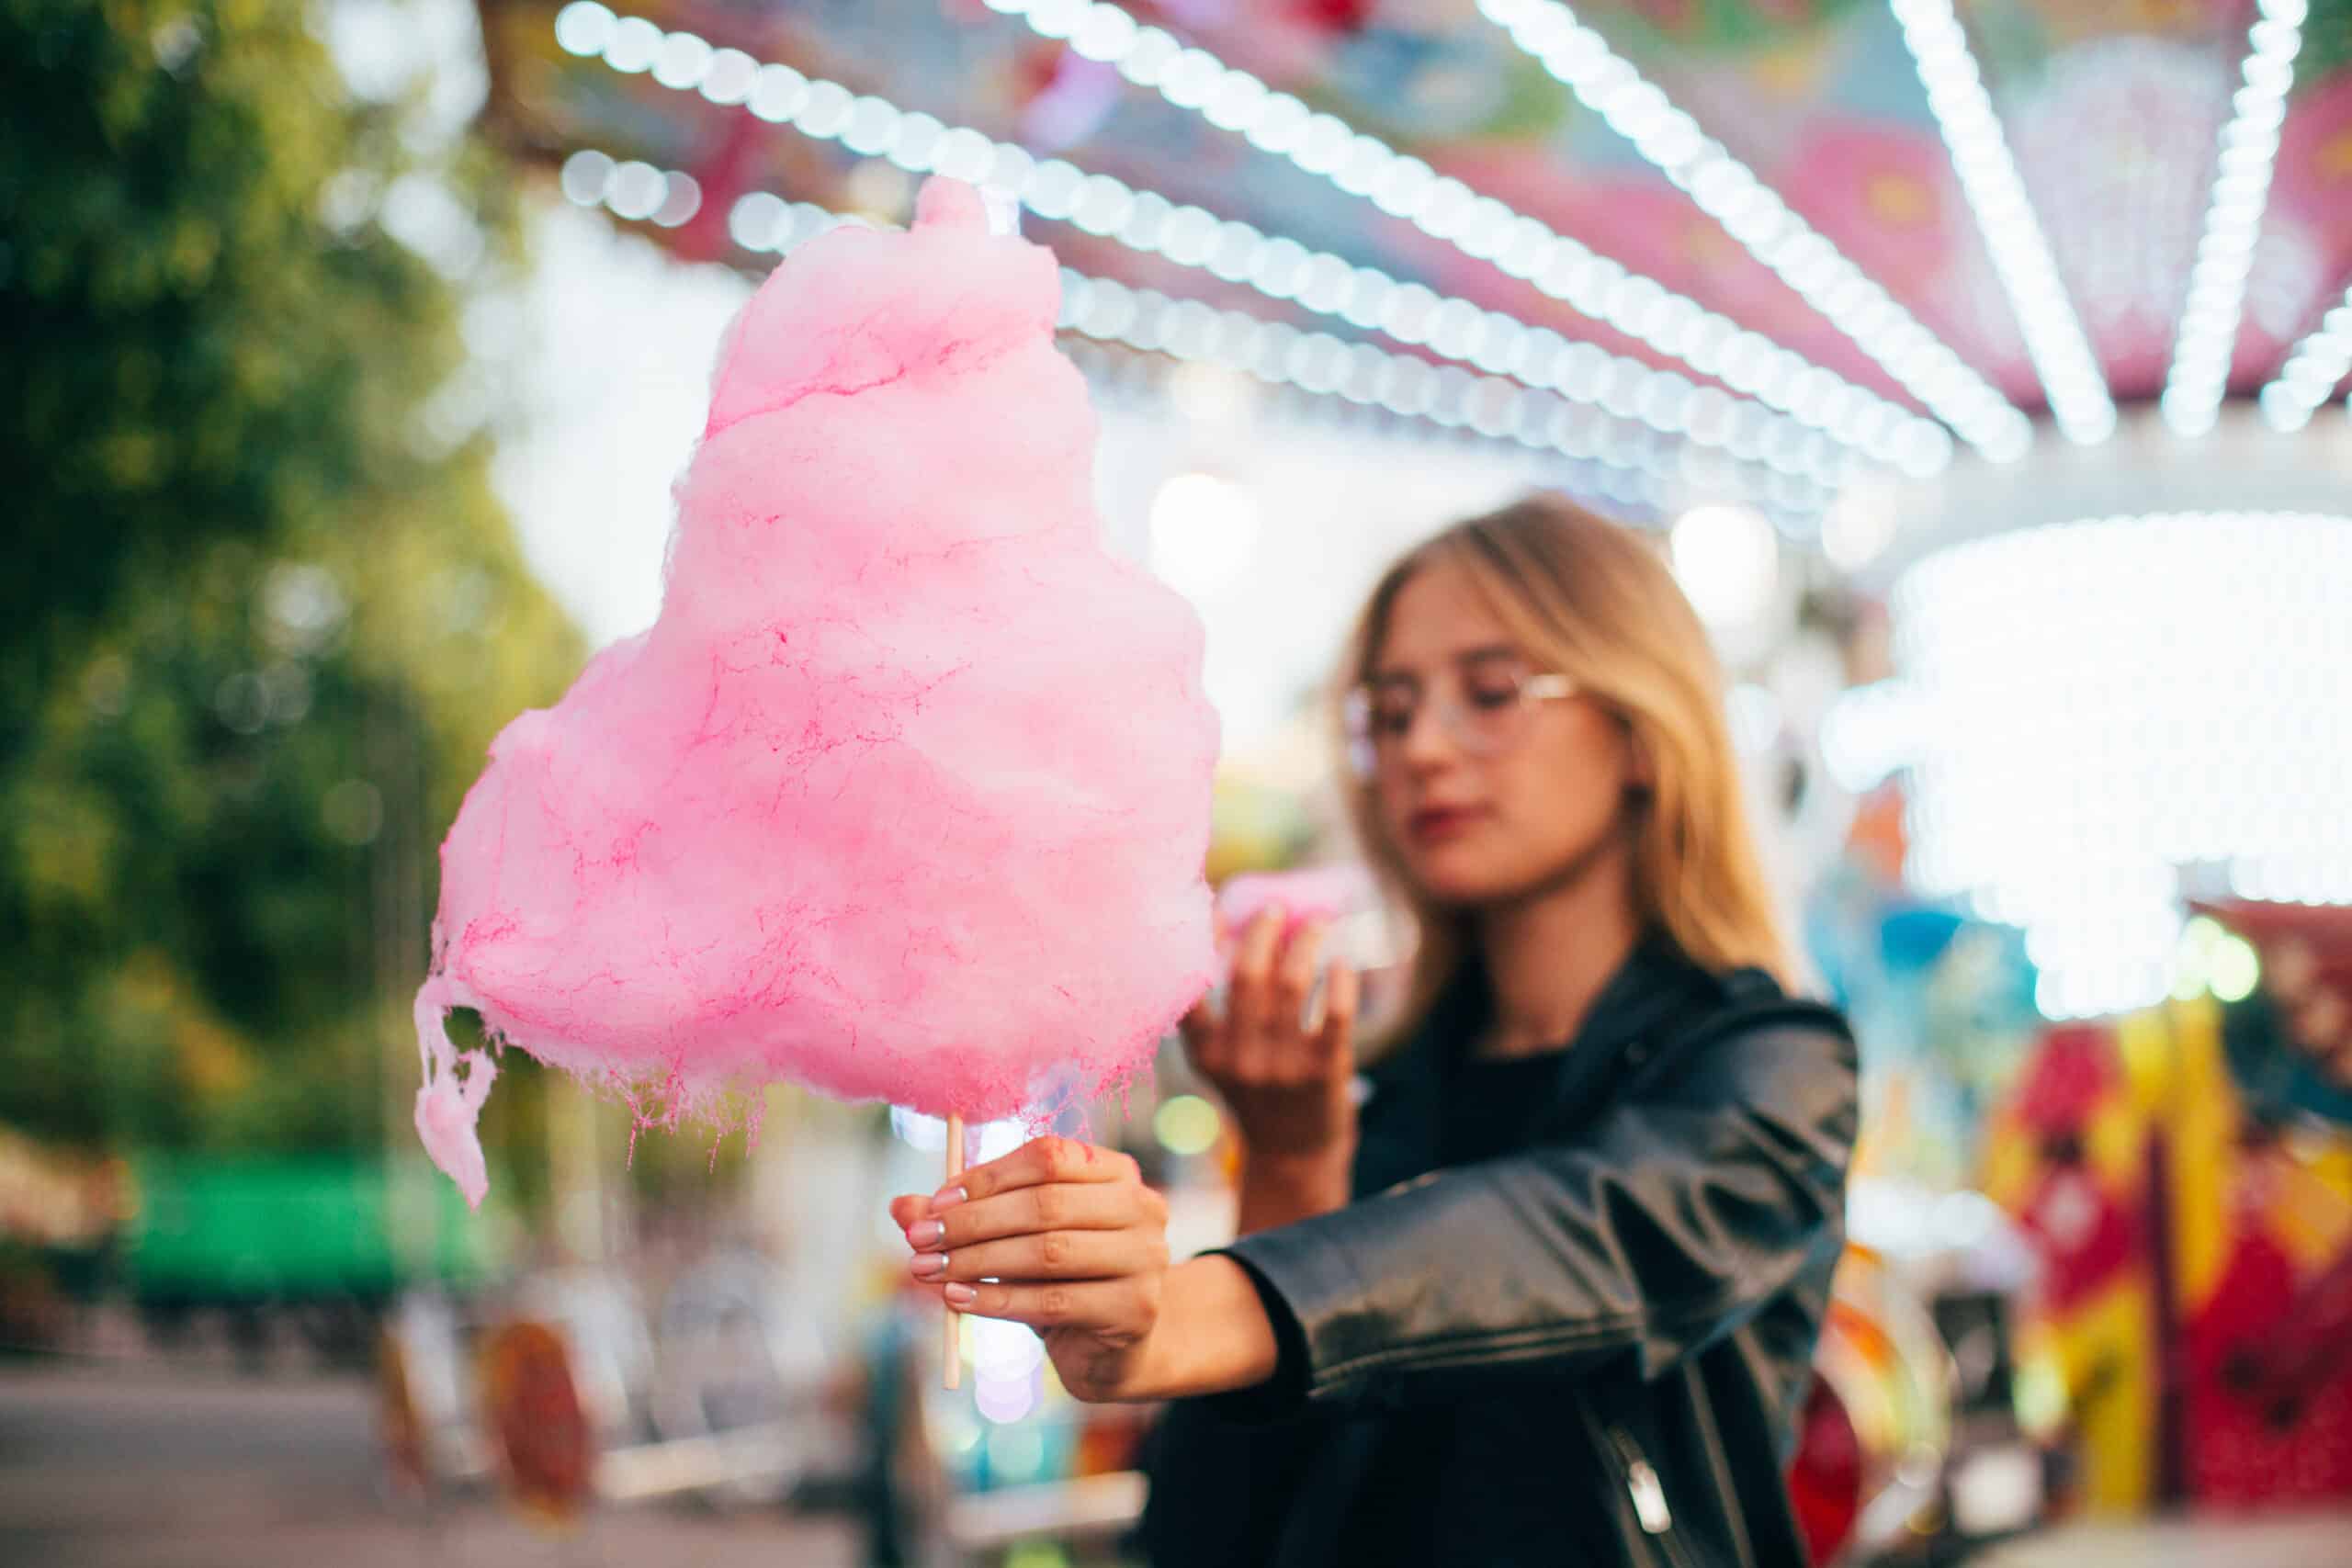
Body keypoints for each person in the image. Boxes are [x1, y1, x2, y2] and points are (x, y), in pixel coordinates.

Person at [889, 495, 1858, 1565]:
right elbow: (1214, 1537)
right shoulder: (1385, 1092)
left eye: (1490, 693)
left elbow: (1558, 1239)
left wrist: (1189, 1313)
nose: (1423, 750)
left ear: (1639, 731)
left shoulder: (1770, 1069)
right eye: (1389, 712)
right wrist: (1293, 1171)